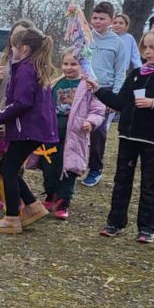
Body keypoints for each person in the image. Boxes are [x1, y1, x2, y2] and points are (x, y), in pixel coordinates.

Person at [94, 26, 154, 243]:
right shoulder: (136, 74)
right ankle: (115, 222)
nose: (148, 52)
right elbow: (120, 102)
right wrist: (98, 90)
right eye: (145, 47)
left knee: (149, 183)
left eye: (153, 48)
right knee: (121, 180)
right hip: (127, 136)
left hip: (152, 138)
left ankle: (146, 228)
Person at [0, 27, 59, 234]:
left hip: (28, 129)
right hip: (35, 128)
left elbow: (22, 103)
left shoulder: (26, 69)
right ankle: (33, 206)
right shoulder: (34, 67)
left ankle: (12, 218)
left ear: (24, 48)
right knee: (9, 167)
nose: (12, 51)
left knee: (8, 169)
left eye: (14, 47)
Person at [39, 49, 107, 220]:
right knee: (49, 165)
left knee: (69, 166)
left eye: (73, 64)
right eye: (65, 64)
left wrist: (90, 122)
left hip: (75, 134)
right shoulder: (55, 84)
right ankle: (51, 195)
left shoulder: (88, 86)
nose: (68, 67)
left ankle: (63, 201)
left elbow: (98, 109)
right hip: (51, 132)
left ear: (82, 65)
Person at [83, 1, 133, 188]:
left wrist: (115, 98)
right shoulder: (85, 38)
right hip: (83, 89)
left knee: (98, 131)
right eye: (95, 18)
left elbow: (120, 72)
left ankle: (95, 169)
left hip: (105, 90)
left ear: (111, 20)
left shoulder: (118, 43)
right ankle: (74, 164)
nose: (97, 22)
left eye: (102, 19)